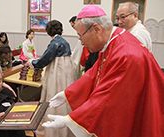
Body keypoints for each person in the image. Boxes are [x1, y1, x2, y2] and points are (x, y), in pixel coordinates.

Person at [42, 5, 164, 137]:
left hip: (141, 110)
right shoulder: (113, 41)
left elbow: (109, 96)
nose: (81, 43)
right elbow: (94, 72)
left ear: (96, 29)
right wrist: (67, 93)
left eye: (80, 36)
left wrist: (71, 120)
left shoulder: (125, 54)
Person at [25, 20, 76, 137]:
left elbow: (43, 60)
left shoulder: (54, 43)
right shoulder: (65, 42)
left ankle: (54, 131)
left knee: (53, 95)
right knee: (64, 100)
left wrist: (31, 62)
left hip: (57, 74)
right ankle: (65, 129)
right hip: (66, 75)